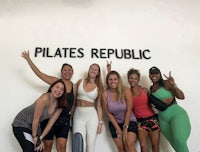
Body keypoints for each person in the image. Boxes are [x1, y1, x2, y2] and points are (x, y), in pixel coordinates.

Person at [21, 51, 75, 152]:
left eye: (69, 70)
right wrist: (28, 59)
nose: (67, 71)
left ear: (72, 72)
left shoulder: (74, 86)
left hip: (64, 120)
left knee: (62, 146)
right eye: (65, 70)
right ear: (61, 72)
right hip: (49, 117)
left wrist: (71, 120)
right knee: (47, 145)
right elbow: (39, 74)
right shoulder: (56, 82)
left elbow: (73, 104)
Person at [12, 79, 67, 152]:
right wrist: (35, 137)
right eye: (57, 87)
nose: (59, 90)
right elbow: (36, 118)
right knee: (29, 149)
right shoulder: (45, 98)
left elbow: (50, 124)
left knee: (39, 149)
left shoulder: (60, 105)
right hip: (22, 124)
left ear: (63, 93)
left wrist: (40, 138)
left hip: (34, 127)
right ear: (51, 88)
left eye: (62, 89)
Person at [148, 66, 191, 152]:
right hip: (163, 120)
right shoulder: (151, 89)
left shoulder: (166, 83)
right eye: (152, 74)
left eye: (156, 73)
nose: (154, 75)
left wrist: (174, 85)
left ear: (159, 74)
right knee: (175, 144)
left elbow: (181, 97)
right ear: (149, 75)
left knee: (180, 140)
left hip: (176, 114)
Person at [102, 70, 138, 152]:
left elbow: (129, 109)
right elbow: (108, 113)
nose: (113, 81)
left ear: (119, 80)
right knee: (121, 148)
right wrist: (118, 129)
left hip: (129, 121)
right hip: (115, 123)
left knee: (129, 144)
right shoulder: (105, 94)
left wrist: (125, 128)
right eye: (110, 79)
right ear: (107, 81)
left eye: (115, 79)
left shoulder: (125, 90)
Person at [72, 63, 104, 152]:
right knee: (78, 143)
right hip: (78, 116)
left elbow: (99, 106)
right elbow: (73, 101)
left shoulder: (99, 86)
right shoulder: (80, 81)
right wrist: (70, 118)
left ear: (98, 73)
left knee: (90, 145)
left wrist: (100, 122)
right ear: (89, 70)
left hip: (92, 116)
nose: (93, 71)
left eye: (95, 70)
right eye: (91, 68)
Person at [127, 68, 160, 152]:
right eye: (131, 78)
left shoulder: (145, 90)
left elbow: (155, 102)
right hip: (140, 122)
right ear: (128, 79)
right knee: (143, 146)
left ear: (138, 80)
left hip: (152, 119)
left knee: (155, 146)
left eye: (135, 78)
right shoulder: (127, 93)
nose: (133, 80)